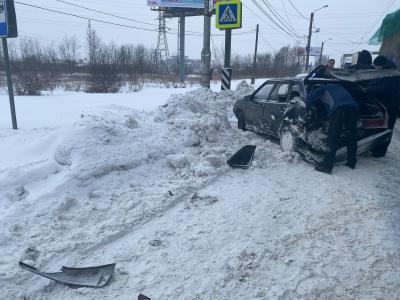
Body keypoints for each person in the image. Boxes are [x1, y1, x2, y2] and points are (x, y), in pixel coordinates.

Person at [306, 84, 359, 174]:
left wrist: (306, 108)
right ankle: (351, 162)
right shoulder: (340, 87)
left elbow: (310, 97)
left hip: (339, 108)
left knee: (332, 137)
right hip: (353, 108)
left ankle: (327, 166)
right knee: (351, 135)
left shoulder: (322, 89)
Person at [367, 55, 400, 156]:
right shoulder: (386, 71)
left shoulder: (392, 73)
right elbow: (379, 83)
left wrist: (370, 89)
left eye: (376, 66)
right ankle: (376, 148)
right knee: (381, 127)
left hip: (390, 105)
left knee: (387, 128)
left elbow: (386, 90)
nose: (376, 68)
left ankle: (380, 151)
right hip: (383, 105)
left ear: (381, 65)